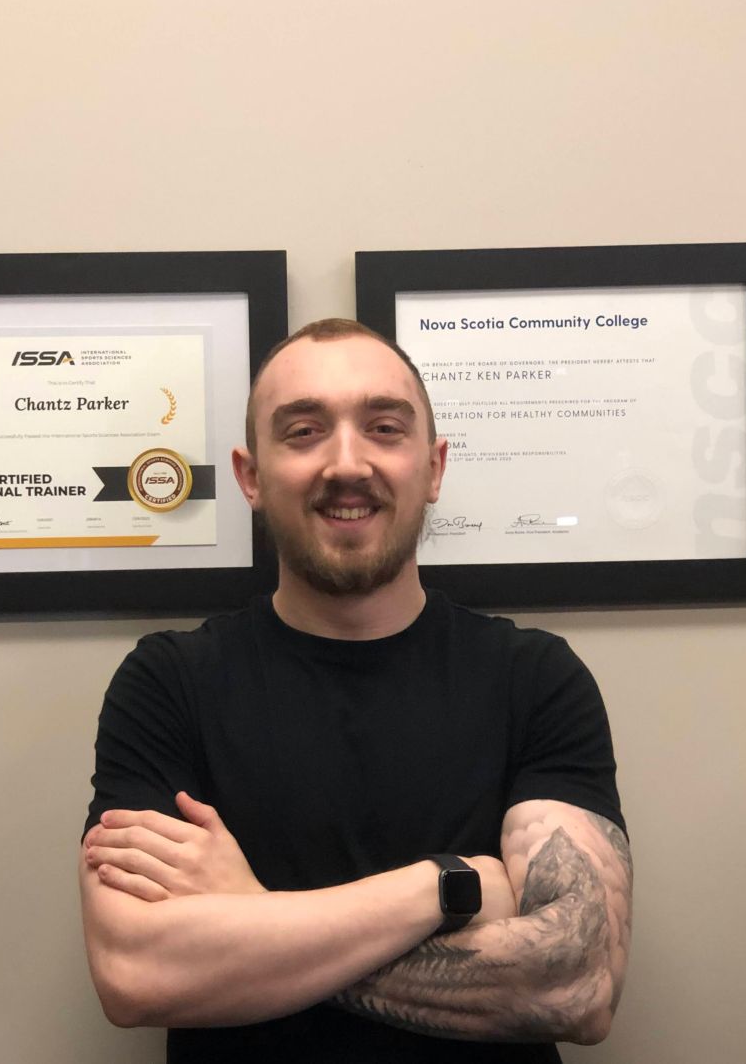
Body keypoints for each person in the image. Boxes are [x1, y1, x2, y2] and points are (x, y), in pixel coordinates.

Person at [79, 318, 632, 1063]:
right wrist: (447, 887)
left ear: (433, 468)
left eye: (384, 428)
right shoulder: (167, 683)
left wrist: (253, 914)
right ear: (251, 476)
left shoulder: (534, 678)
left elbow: (578, 982)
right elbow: (135, 974)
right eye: (304, 431)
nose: (347, 463)